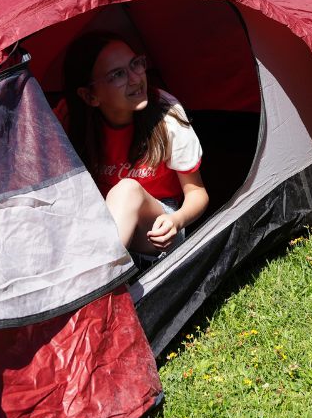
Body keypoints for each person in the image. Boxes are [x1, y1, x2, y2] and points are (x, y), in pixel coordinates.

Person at [59, 32, 208, 260]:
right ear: (89, 96)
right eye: (117, 74)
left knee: (127, 190)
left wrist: (177, 221)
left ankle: (99, 282)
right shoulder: (69, 118)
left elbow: (197, 193)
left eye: (135, 64)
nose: (135, 79)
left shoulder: (166, 114)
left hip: (156, 223)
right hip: (95, 215)